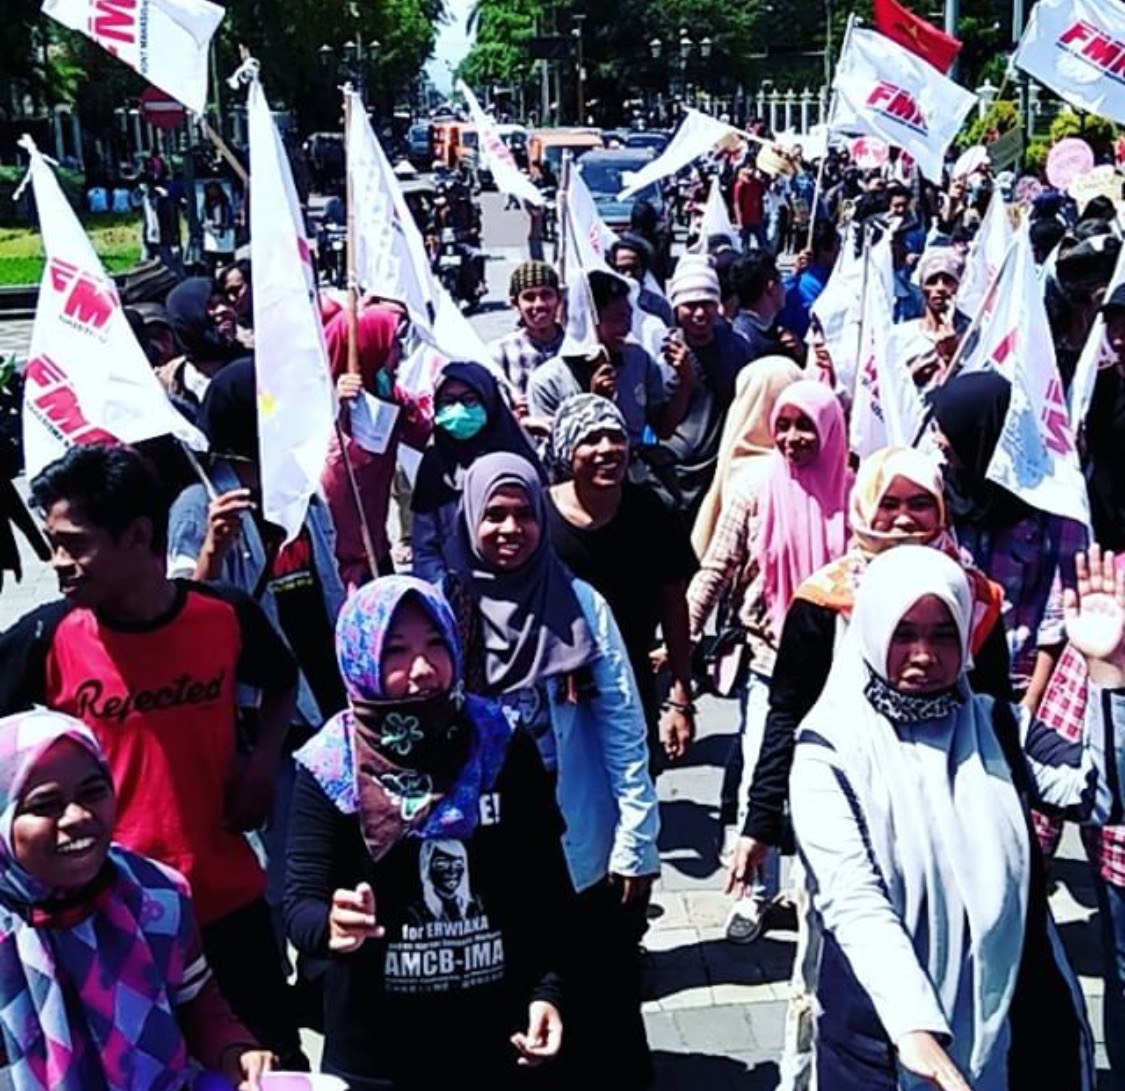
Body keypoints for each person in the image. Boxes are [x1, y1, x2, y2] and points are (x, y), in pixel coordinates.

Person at [0, 443, 305, 1069]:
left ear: (138, 535)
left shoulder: (223, 615)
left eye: (74, 544)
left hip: (227, 904)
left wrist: (259, 768)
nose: (57, 563)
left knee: (268, 1064)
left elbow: (282, 681)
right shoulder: (47, 637)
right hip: (112, 919)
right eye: (53, 544)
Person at [792, 543, 1125, 1091]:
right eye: (904, 633)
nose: (924, 654)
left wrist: (1108, 675)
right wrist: (913, 1024)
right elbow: (853, 898)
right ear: (872, 629)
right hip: (882, 1038)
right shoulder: (829, 750)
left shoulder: (997, 724)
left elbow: (1099, 797)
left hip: (1017, 1021)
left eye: (944, 634)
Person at [285, 577, 571, 1091]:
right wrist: (332, 924)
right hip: (375, 1056)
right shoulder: (331, 763)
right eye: (395, 651)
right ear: (360, 657)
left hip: (497, 1043)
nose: (422, 669)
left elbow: (546, 890)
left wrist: (547, 992)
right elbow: (300, 905)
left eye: (436, 643)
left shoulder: (501, 742)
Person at [447, 452, 660, 1089]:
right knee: (518, 1006)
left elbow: (623, 722)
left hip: (578, 839)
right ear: (469, 520)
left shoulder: (579, 604)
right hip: (489, 844)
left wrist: (637, 837)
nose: (510, 529)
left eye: (524, 514)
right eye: (494, 515)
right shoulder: (445, 611)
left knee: (602, 1002)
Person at [0, 709, 274, 1091]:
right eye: (44, 805)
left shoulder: (154, 895)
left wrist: (235, 1051)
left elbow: (196, 998)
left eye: (93, 791)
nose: (77, 816)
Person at [690, 379, 850, 943]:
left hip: (838, 667)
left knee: (827, 784)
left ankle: (816, 896)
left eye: (805, 425)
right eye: (783, 425)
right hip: (768, 659)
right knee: (762, 773)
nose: (792, 437)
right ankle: (752, 892)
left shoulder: (854, 491)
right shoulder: (754, 488)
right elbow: (717, 567)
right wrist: (683, 635)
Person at [546, 394, 698, 771]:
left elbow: (674, 605)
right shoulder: (539, 518)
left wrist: (680, 694)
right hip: (555, 689)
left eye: (615, 437)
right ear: (566, 450)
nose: (607, 449)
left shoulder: (653, 511)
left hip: (631, 681)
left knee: (633, 783)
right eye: (590, 439)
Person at [930, 371, 1085, 702]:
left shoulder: (1051, 507)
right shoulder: (941, 494)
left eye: (947, 427)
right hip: (950, 681)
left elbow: (1058, 613)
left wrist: (1030, 703)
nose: (938, 439)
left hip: (1019, 684)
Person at [320, 304, 432, 591]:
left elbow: (424, 429)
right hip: (334, 562)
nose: (401, 352)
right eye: (393, 343)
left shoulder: (389, 396)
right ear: (367, 348)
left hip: (376, 550)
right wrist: (335, 408)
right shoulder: (318, 409)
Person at [412, 360, 545, 585]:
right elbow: (425, 549)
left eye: (470, 400)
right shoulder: (435, 464)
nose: (459, 410)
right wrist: (444, 592)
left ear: (489, 401)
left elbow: (545, 533)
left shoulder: (520, 458)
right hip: (459, 592)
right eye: (449, 402)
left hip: (525, 586)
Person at [528, 270, 691, 446]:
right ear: (589, 321)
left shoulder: (639, 361)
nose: (627, 328)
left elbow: (664, 429)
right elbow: (551, 452)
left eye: (628, 317)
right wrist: (595, 404)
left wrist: (685, 380)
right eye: (617, 319)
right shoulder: (548, 382)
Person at [658, 255, 754, 520]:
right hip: (678, 474)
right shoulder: (665, 357)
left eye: (707, 304)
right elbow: (663, 427)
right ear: (676, 308)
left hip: (725, 468)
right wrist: (684, 381)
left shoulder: (737, 346)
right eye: (690, 305)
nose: (700, 314)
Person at [158, 278, 242, 418]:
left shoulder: (257, 367)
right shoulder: (169, 383)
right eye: (211, 305)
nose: (224, 309)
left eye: (225, 302)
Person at [487, 261, 564, 408]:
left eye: (546, 295)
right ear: (515, 303)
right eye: (529, 297)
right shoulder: (500, 353)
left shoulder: (575, 347)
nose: (539, 304)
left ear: (559, 298)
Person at [731, 251, 801, 363]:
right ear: (771, 288)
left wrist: (798, 353)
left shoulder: (774, 331)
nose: (784, 288)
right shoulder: (742, 340)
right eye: (781, 281)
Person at [778, 222, 840, 340]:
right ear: (824, 249)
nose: (839, 251)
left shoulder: (836, 276)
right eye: (837, 246)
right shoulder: (800, 286)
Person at [610, 234, 675, 326]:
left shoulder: (658, 306)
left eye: (633, 268)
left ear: (643, 269)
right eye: (622, 269)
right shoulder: (606, 307)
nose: (628, 274)